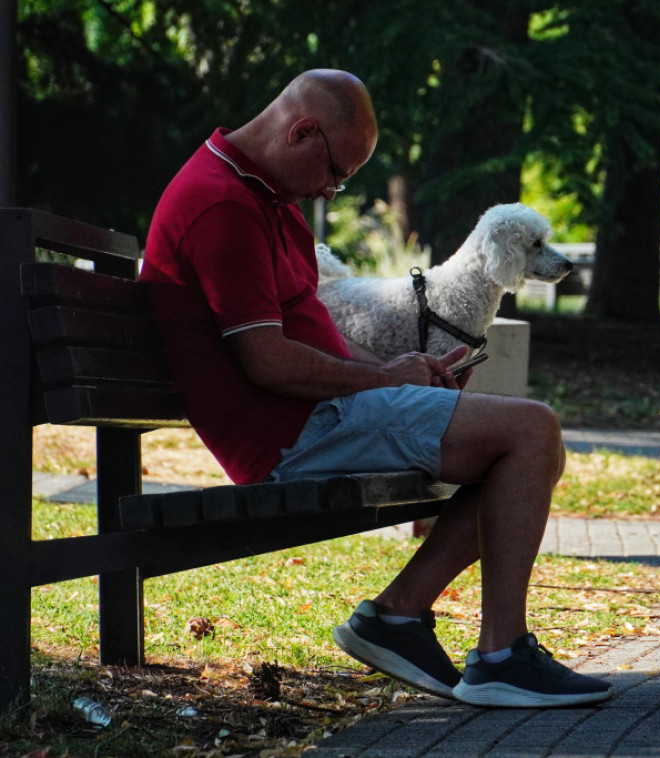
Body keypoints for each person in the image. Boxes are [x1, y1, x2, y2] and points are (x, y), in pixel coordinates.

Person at [141, 69, 611, 708]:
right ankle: (493, 652)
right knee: (531, 432)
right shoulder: (222, 204)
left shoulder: (264, 198)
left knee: (532, 443)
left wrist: (408, 369)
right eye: (337, 171)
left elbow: (318, 343)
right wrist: (381, 378)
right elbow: (268, 363)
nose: (333, 188)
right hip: (290, 436)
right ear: (303, 132)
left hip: (323, 412)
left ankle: (402, 618)